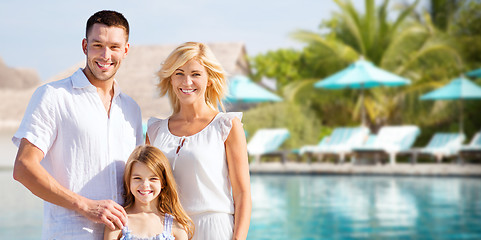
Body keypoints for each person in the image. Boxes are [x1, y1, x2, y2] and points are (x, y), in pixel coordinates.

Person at [12, 10, 143, 239]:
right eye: (97, 45)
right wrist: (85, 205)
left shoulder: (131, 109)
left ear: (126, 50)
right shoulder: (53, 96)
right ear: (84, 46)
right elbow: (24, 167)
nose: (105, 55)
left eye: (114, 47)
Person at [146, 42, 251, 240]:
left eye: (195, 74)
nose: (187, 82)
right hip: (168, 230)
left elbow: (243, 193)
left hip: (215, 229)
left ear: (209, 79)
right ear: (170, 78)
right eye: (179, 73)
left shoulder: (226, 126)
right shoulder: (154, 131)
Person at [104, 145, 194, 240]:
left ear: (163, 182)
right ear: (128, 180)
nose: (145, 185)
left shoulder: (176, 226)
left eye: (153, 178)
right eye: (137, 178)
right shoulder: (117, 222)